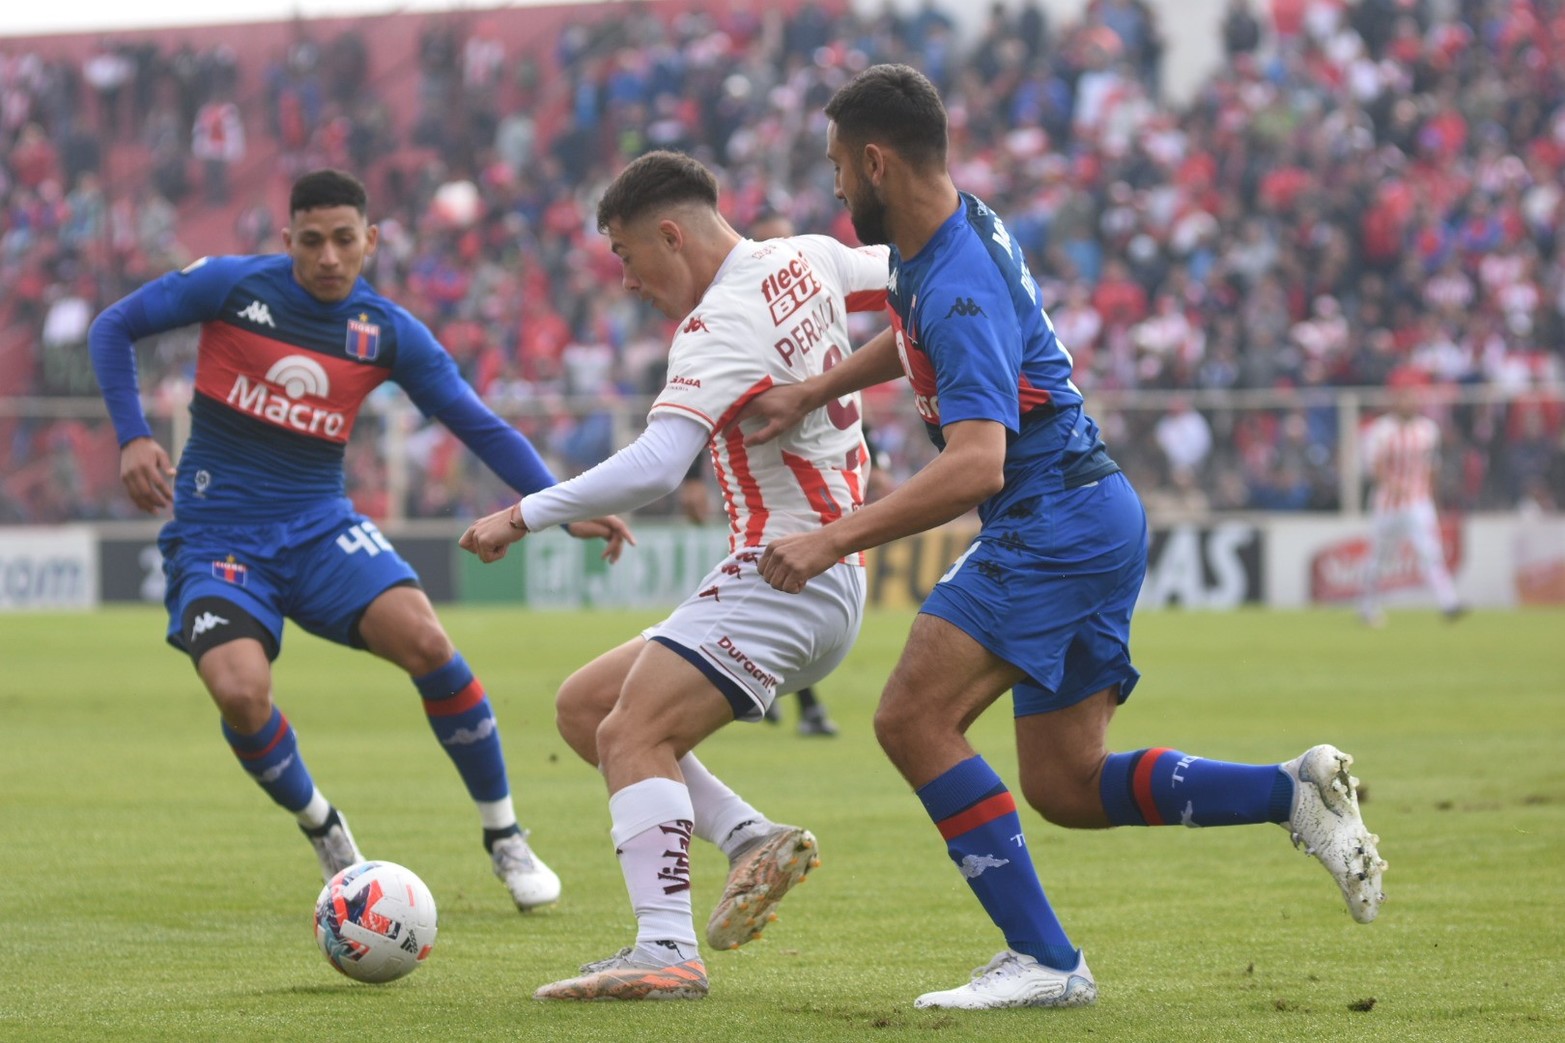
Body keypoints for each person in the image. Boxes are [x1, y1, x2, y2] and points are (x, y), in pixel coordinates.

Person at [743, 64, 1387, 1011]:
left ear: (877, 161)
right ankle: (1291, 792)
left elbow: (974, 466)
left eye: (839, 166)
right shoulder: (951, 233)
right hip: (1091, 511)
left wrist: (834, 539)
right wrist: (817, 387)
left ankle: (1045, 959)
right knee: (1066, 783)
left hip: (1051, 516)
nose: (835, 187)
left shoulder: (952, 277)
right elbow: (920, 327)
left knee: (909, 718)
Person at [88, 168, 630, 911]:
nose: (329, 257)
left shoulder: (387, 331)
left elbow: (475, 421)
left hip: (321, 529)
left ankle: (505, 835)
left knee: (429, 643)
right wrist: (132, 437)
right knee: (241, 693)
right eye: (311, 241)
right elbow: (111, 325)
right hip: (219, 538)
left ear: (370, 241)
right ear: (288, 241)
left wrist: (562, 502)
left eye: (345, 240)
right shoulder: (229, 286)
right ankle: (323, 824)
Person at [460, 149, 890, 1001]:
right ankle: (749, 837)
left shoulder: (717, 322)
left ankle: (664, 947)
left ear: (668, 233)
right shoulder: (805, 254)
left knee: (630, 734)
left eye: (624, 255)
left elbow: (659, 464)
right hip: (820, 572)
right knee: (588, 707)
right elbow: (916, 279)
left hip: (786, 569)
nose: (624, 281)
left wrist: (523, 512)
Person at [1358, 368, 1466, 626]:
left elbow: (1431, 466)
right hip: (1387, 504)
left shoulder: (1427, 429)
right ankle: (1367, 606)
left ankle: (1449, 603)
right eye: (1404, 397)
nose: (1410, 402)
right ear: (1395, 400)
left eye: (1413, 396)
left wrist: (1433, 498)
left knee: (1430, 551)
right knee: (1379, 558)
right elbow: (1374, 465)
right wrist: (1391, 484)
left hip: (1418, 502)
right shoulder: (1381, 430)